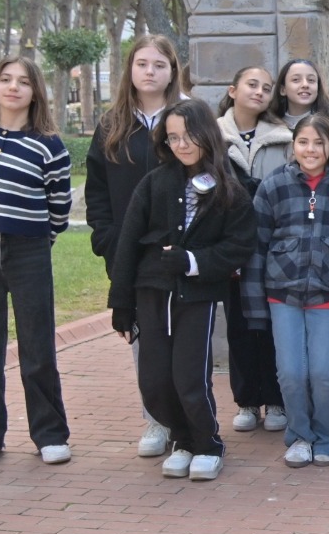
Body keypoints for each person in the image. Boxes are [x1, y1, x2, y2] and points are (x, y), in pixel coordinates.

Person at [108, 100, 256, 482]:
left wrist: (192, 261)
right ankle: (182, 440)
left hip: (197, 297)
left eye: (189, 135)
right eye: (173, 137)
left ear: (207, 134)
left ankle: (206, 444)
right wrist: (121, 303)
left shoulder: (230, 187)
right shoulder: (155, 182)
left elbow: (239, 245)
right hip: (152, 292)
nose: (181, 144)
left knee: (189, 377)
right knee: (154, 379)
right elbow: (127, 243)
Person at [0, 58, 74, 469]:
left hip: (29, 251)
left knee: (37, 346)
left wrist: (38, 239)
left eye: (23, 82)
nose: (13, 87)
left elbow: (59, 205)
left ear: (35, 92)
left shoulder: (49, 146)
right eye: (5, 79)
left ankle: (50, 434)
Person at [85, 34, 182, 458]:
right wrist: (107, 240)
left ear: (172, 72)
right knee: (145, 343)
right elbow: (96, 192)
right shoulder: (112, 126)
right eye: (142, 63)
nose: (150, 71)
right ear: (130, 69)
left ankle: (189, 421)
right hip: (130, 255)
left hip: (178, 253)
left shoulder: (186, 119)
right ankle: (156, 421)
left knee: (184, 341)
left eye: (159, 64)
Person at [245, 115, 329, 468]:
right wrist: (254, 304)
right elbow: (256, 246)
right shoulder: (274, 185)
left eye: (319, 143)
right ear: (293, 145)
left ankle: (328, 438)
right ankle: (300, 436)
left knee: (324, 372)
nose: (311, 150)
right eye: (303, 142)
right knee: (290, 373)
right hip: (282, 292)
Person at [216, 66, 292, 434]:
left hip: (273, 248)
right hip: (231, 248)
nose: (259, 92)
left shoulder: (283, 138)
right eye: (251, 84)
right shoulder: (212, 136)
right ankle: (246, 401)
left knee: (273, 327)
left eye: (266, 87)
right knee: (239, 327)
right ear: (232, 90)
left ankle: (276, 398)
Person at [274, 58, 329, 168]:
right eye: (296, 80)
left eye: (311, 80)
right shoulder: (270, 124)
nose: (305, 85)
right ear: (283, 89)